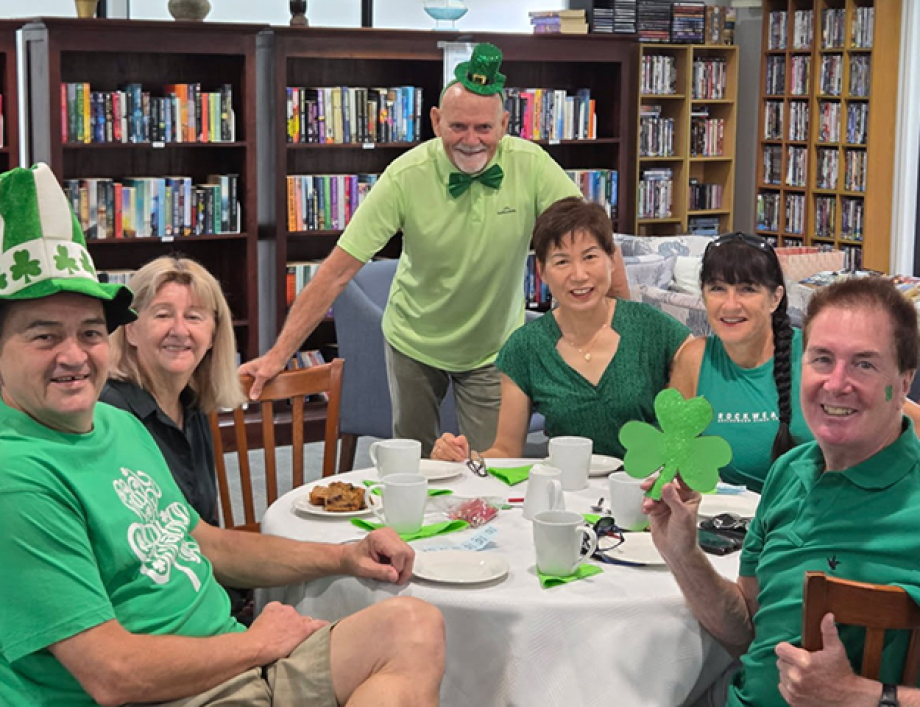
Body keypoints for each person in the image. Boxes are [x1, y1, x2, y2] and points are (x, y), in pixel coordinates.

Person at [0, 164, 445, 706]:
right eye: (44, 336)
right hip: (176, 690)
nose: (73, 355)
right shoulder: (17, 480)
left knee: (414, 626)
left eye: (90, 332)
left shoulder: (114, 423)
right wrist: (258, 645)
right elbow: (112, 674)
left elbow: (202, 540)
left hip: (229, 658)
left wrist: (344, 555)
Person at [240, 43, 630, 456]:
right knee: (415, 465)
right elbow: (337, 271)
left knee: (492, 470)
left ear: (504, 124)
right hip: (414, 342)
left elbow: (595, 242)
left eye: (484, 128)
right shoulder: (406, 176)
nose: (471, 141)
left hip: (493, 347)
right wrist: (278, 356)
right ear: (436, 121)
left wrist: (628, 335)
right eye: (458, 127)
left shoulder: (531, 164)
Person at [646, 276, 920, 707]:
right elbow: (749, 632)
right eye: (822, 359)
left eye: (864, 364)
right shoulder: (788, 471)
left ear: (904, 382)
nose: (836, 383)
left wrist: (861, 695)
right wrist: (682, 552)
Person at [431, 196, 689, 461]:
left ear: (612, 260)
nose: (578, 275)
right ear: (542, 271)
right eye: (562, 261)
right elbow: (506, 451)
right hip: (568, 491)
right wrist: (462, 459)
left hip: (648, 489)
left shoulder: (650, 326)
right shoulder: (525, 347)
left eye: (590, 257)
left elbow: (698, 358)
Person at [101, 256, 244, 527]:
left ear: (213, 335)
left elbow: (205, 521)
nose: (179, 330)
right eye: (163, 315)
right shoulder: (111, 413)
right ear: (130, 330)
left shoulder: (192, 404)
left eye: (193, 317)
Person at [668, 232, 812, 492]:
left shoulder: (813, 353)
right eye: (717, 289)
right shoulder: (694, 359)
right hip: (731, 522)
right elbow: (675, 459)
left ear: (775, 298)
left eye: (747, 289)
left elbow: (900, 418)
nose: (730, 305)